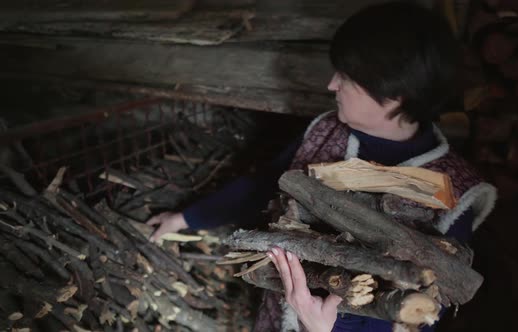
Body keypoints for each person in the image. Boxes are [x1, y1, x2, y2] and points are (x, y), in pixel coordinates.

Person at [147, 2, 497, 331]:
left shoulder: (454, 192)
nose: (332, 85)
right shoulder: (325, 131)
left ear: (394, 94)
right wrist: (187, 218)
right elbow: (264, 185)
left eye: (346, 77)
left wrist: (327, 328)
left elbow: (425, 311)